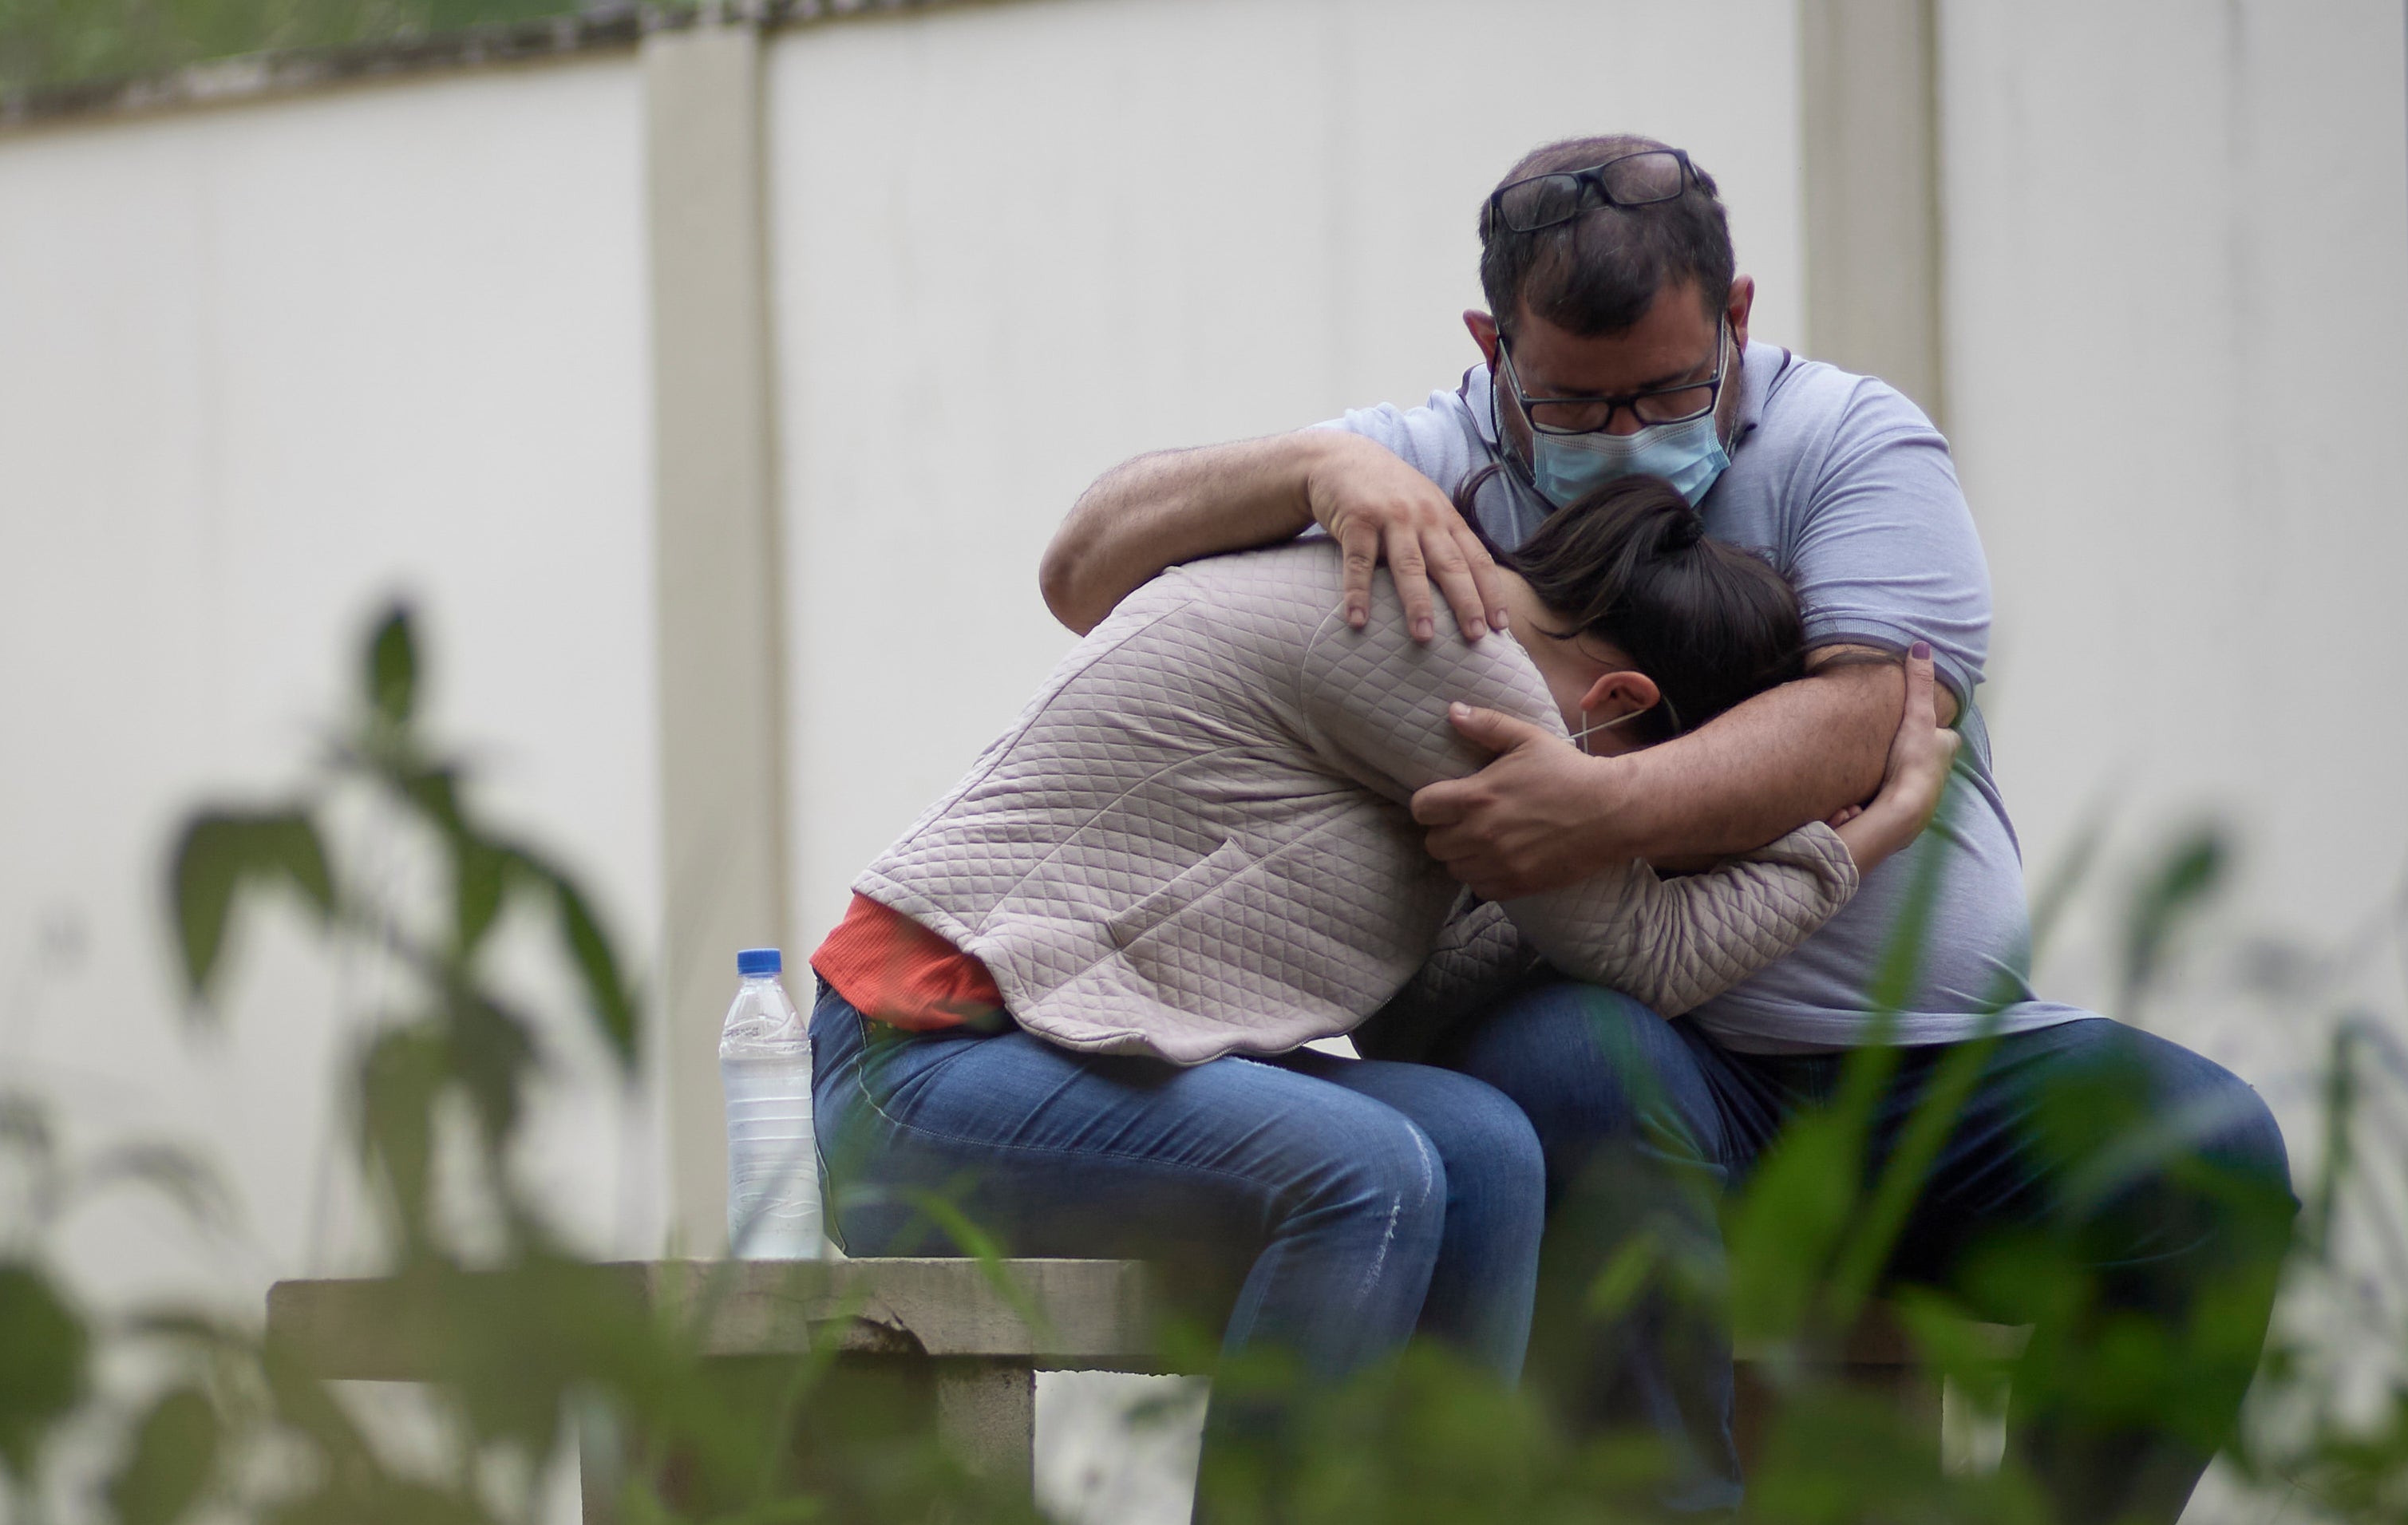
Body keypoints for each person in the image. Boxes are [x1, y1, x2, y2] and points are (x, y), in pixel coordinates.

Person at [1037, 134, 2297, 1525]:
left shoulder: (1850, 443)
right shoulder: (1429, 466)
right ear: (1493, 348)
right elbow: (1086, 569)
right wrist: (1316, 464)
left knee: (2206, 1157)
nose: (1629, 431)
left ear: (1739, 319)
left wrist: (1601, 809)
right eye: (1575, 401)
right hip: (1642, 1075)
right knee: (1570, 1067)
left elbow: (1866, 712)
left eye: (1671, 388)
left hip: (1931, 1078)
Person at [808, 476, 1955, 1423]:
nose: (1640, 834)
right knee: (1368, 1172)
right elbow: (1646, 951)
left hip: (1068, 1061)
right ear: (1620, 699)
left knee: (1486, 1147)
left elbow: (1415, 1009)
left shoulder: (1459, 664)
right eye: (1659, 798)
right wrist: (1859, 844)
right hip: (911, 1075)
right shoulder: (1457, 653)